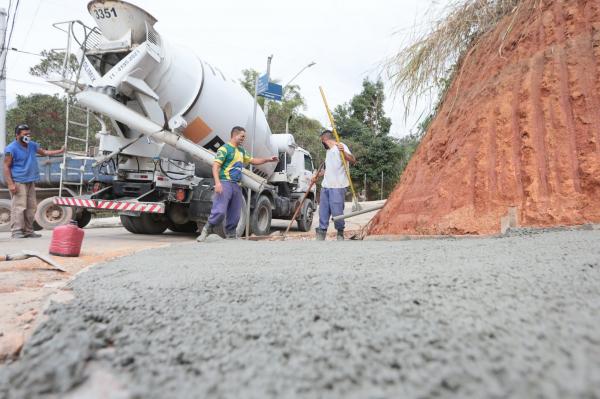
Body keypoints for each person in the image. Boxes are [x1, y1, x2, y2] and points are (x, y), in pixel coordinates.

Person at [197, 126, 278, 242]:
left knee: (235, 214)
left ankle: (231, 235)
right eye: (242, 136)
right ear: (235, 135)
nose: (243, 139)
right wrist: (218, 183)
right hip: (225, 183)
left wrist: (268, 159)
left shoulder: (241, 151)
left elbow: (253, 160)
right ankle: (206, 230)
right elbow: (215, 167)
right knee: (219, 211)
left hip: (237, 186)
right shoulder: (224, 149)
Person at [4, 124, 65, 239]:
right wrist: (10, 184)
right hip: (18, 181)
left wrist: (60, 150)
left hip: (31, 180)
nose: (27, 136)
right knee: (19, 207)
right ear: (17, 135)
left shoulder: (32, 145)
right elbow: (6, 166)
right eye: (24, 134)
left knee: (31, 207)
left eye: (29, 134)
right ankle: (17, 231)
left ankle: (28, 231)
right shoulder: (11, 149)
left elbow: (44, 152)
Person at [312, 129, 356, 241]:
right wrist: (318, 175)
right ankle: (321, 233)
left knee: (337, 213)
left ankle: (340, 233)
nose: (322, 144)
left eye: (322, 142)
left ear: (325, 139)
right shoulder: (328, 152)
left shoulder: (340, 147)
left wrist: (344, 152)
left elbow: (353, 160)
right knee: (323, 212)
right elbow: (328, 170)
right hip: (326, 186)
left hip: (338, 186)